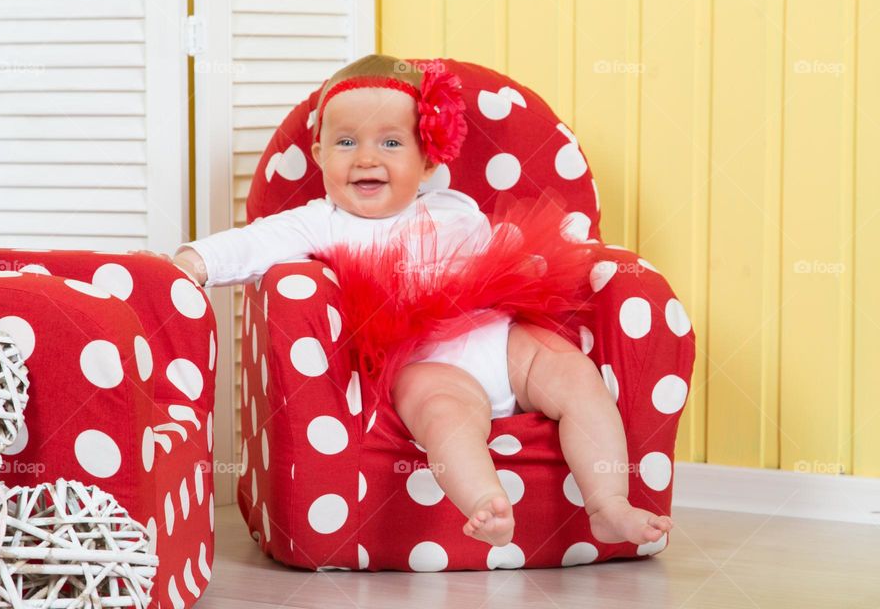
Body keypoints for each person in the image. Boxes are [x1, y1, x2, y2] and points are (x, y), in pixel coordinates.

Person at [133, 53, 672, 549]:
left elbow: (498, 249)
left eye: (391, 143)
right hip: (425, 362)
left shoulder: (454, 207)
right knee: (444, 415)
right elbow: (254, 243)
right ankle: (485, 501)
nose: (366, 157)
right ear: (320, 155)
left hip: (503, 342)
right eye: (347, 142)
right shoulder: (322, 221)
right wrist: (191, 263)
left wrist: (528, 260)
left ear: (428, 160)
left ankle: (607, 503)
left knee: (575, 375)